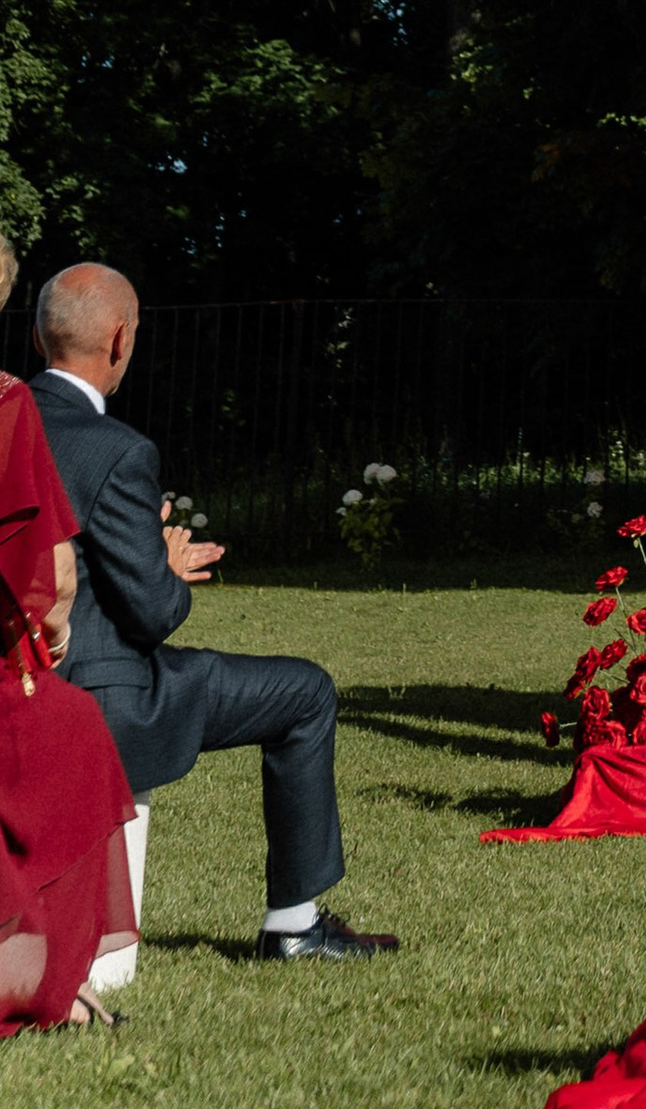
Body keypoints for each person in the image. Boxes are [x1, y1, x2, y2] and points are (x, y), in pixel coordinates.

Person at [27, 264, 397, 962]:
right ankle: (293, 924)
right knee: (305, 691)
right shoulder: (119, 451)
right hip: (104, 703)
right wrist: (167, 571)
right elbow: (152, 615)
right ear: (119, 340)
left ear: (37, 334)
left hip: (24, 682)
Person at [0, 233, 137, 1030]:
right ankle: (45, 985)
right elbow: (49, 582)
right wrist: (44, 642)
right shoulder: (5, 403)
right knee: (74, 729)